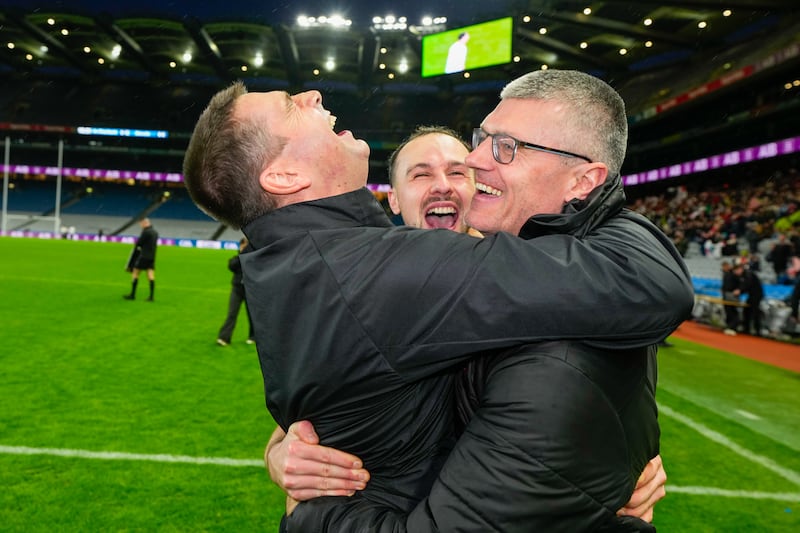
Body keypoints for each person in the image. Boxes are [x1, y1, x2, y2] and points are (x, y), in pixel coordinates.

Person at [182, 71, 694, 531]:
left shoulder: (313, 261)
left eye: (499, 149)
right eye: (420, 174)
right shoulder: (383, 271)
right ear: (394, 201)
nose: (469, 168)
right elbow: (645, 285)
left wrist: (608, 449)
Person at [386, 125, 479, 235]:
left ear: (478, 191)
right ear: (394, 201)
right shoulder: (371, 251)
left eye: (456, 173)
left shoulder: (501, 249)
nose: (443, 186)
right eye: (422, 175)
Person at [216, 237, 255, 346]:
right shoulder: (237, 258)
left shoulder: (254, 258)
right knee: (232, 314)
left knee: (253, 315)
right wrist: (242, 255)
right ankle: (224, 338)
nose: (244, 247)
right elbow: (231, 266)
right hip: (237, 289)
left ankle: (254, 337)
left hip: (250, 290)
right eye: (243, 245)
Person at [123, 217, 158, 301]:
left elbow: (139, 243)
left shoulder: (145, 232)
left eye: (141, 224)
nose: (141, 225)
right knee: (151, 275)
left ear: (144, 223)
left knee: (135, 272)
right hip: (152, 257)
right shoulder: (155, 232)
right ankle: (151, 296)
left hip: (144, 256)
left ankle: (132, 294)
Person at [733, 261, 763, 336]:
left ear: (740, 269)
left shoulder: (748, 275)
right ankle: (747, 329)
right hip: (751, 295)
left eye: (736, 271)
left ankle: (757, 331)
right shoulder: (745, 275)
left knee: (755, 312)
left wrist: (740, 290)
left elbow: (747, 285)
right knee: (746, 311)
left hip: (756, 295)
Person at [721, 260, 740, 335]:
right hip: (726, 294)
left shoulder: (733, 274)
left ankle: (732, 327)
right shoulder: (726, 274)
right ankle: (729, 325)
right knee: (728, 310)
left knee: (732, 311)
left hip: (732, 295)